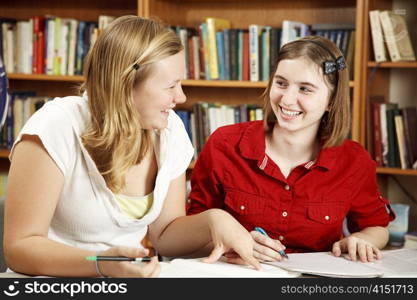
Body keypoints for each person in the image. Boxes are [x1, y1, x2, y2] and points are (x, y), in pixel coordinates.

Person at [3, 15, 260, 278]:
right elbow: (20, 248)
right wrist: (100, 264)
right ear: (125, 85)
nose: (181, 97)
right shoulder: (55, 126)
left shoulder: (168, 130)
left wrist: (215, 221)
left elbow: (164, 235)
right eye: (171, 86)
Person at [187, 36, 395, 264]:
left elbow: (377, 227)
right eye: (281, 83)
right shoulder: (224, 144)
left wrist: (362, 239)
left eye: (305, 89)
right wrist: (231, 244)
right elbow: (192, 230)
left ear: (331, 101)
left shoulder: (354, 160)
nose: (287, 99)